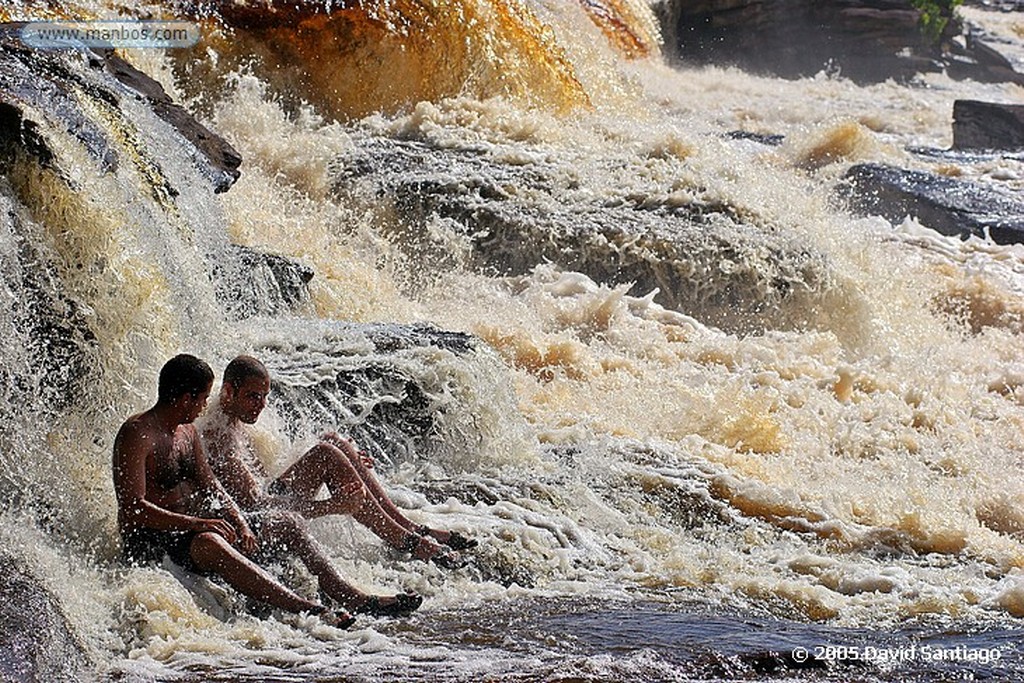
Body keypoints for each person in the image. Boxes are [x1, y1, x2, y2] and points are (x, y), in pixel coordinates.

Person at [112, 354, 420, 627]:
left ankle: (348, 594)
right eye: (203, 398)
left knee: (289, 522)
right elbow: (133, 508)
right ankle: (308, 609)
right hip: (154, 540)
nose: (207, 405)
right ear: (184, 398)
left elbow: (211, 484)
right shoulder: (137, 433)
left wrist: (240, 521)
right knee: (210, 541)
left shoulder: (187, 432)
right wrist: (199, 524)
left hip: (193, 528)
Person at [200, 355, 476, 570]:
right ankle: (408, 541)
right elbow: (258, 506)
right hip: (257, 524)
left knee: (333, 442)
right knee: (326, 453)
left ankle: (412, 529)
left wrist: (348, 458)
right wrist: (332, 506)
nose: (260, 405)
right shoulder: (219, 439)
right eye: (252, 396)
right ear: (228, 391)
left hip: (268, 501)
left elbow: (268, 475)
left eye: (264, 397)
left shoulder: (231, 417)